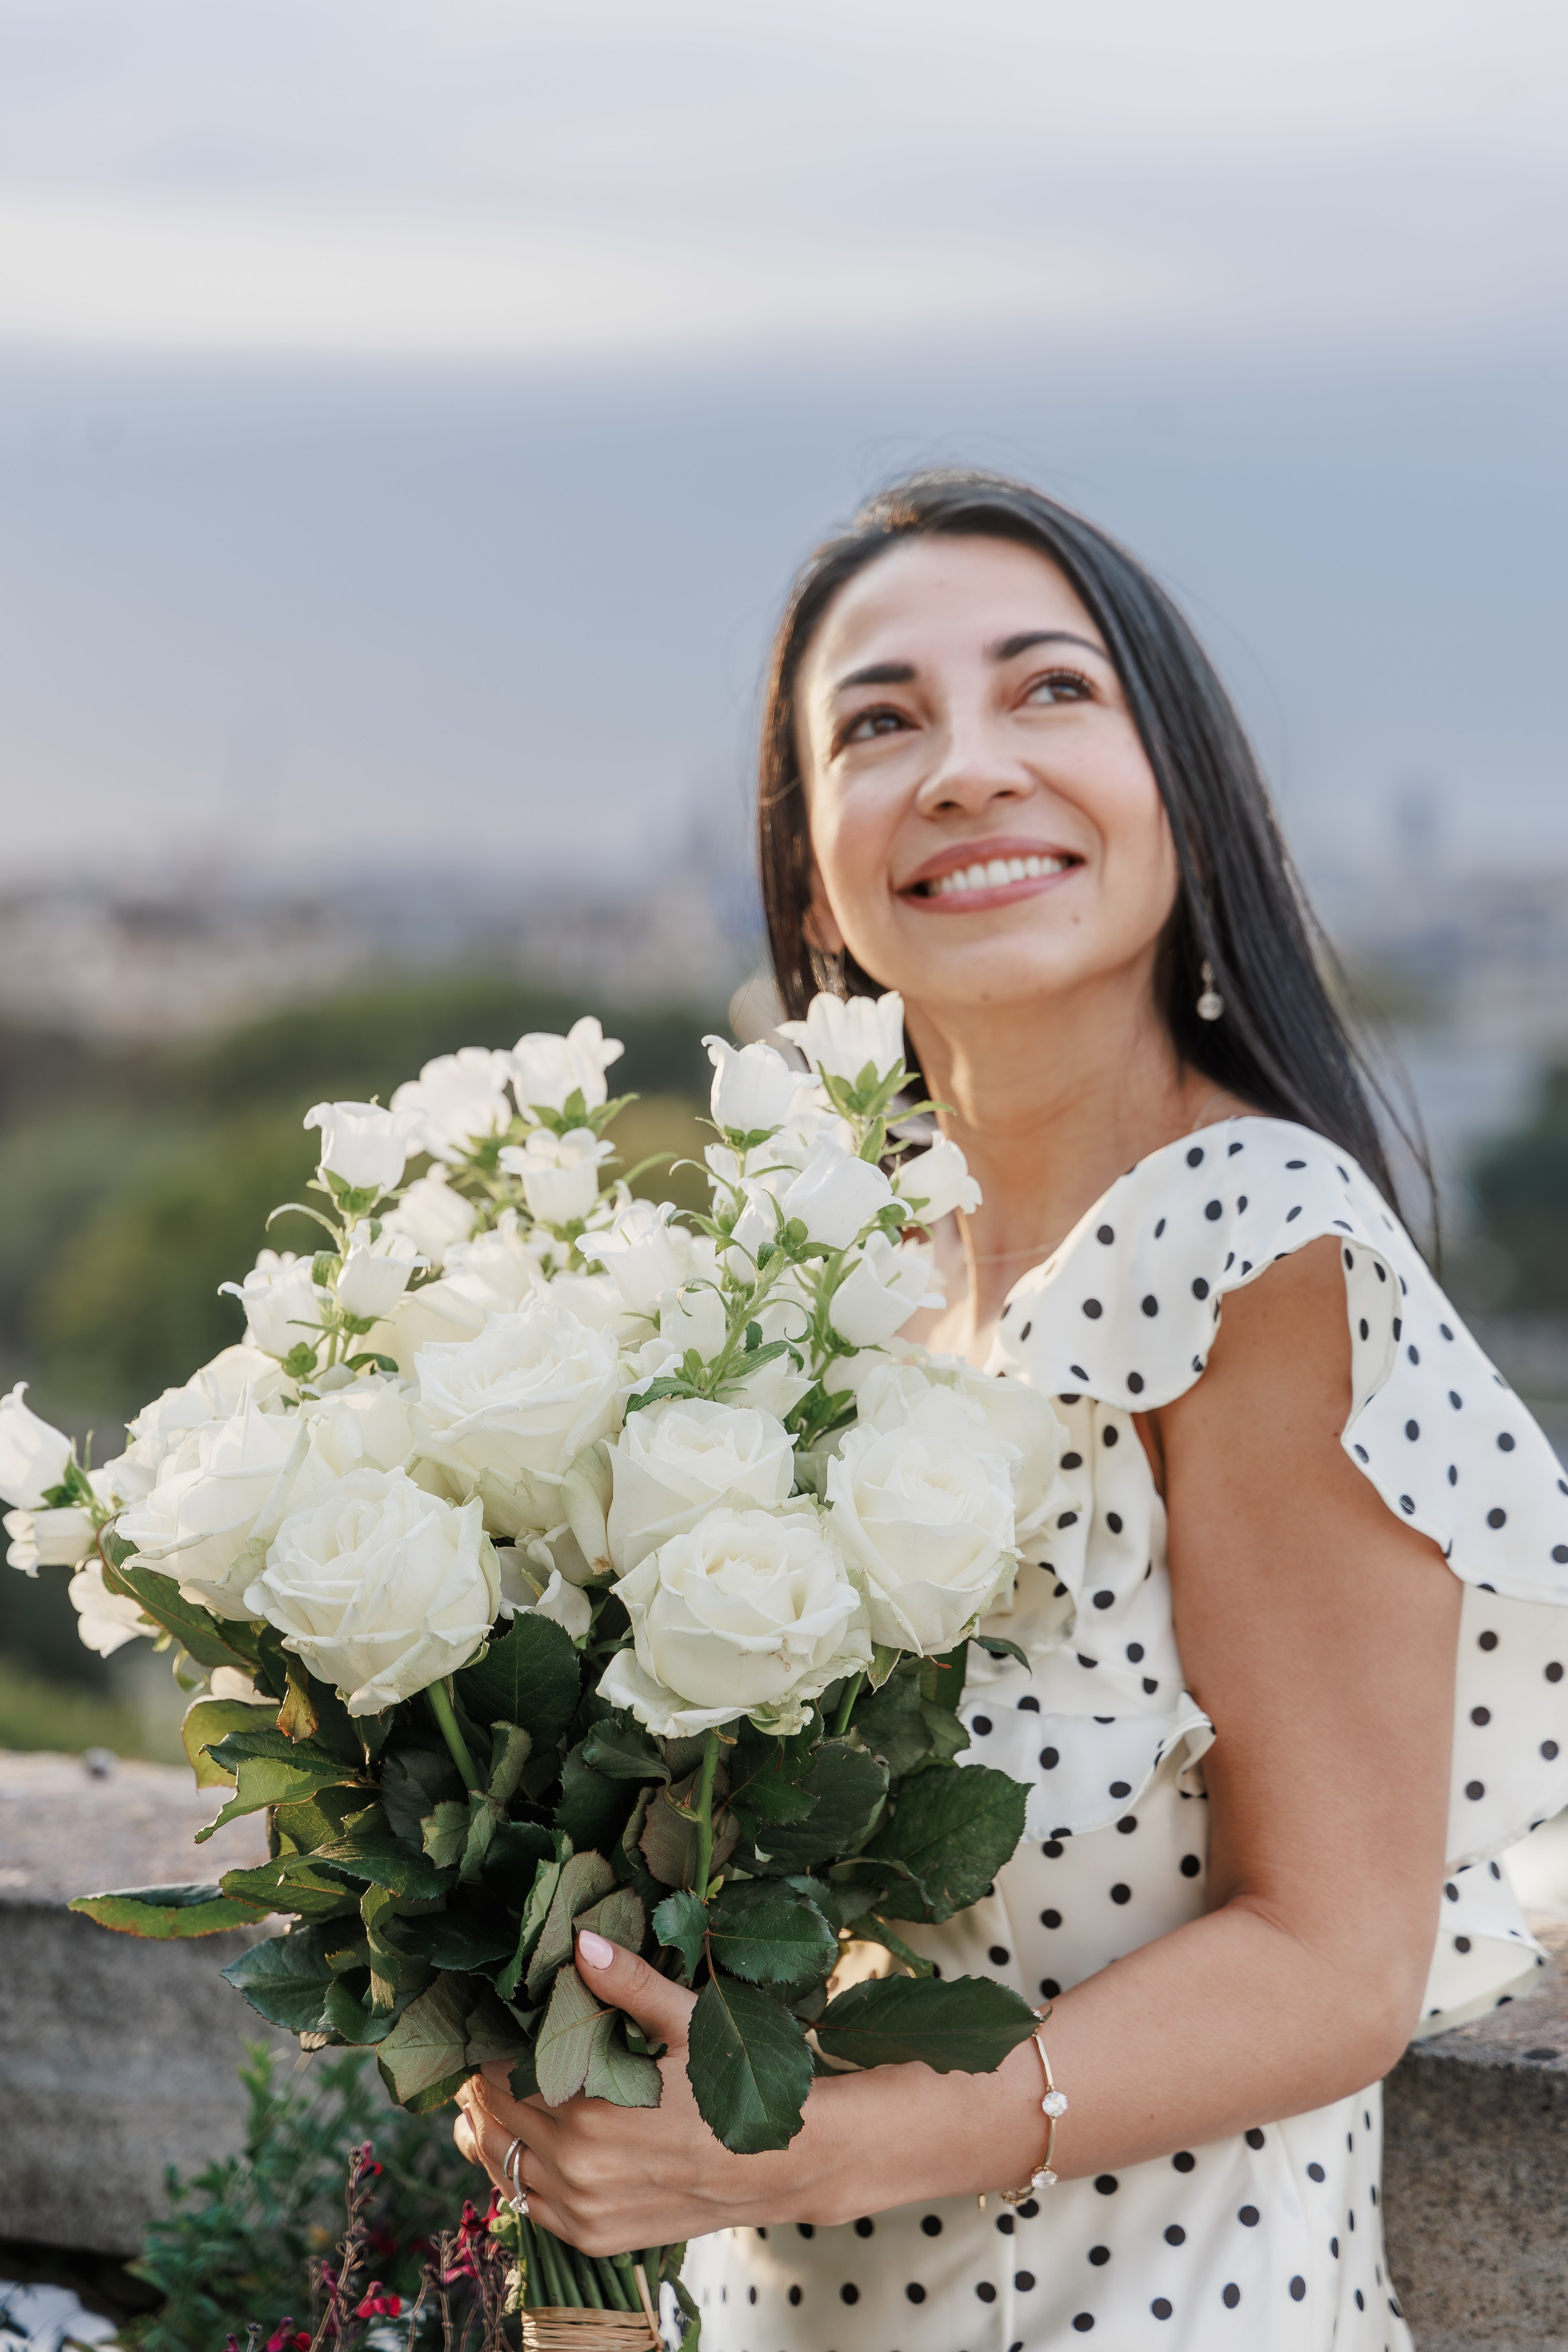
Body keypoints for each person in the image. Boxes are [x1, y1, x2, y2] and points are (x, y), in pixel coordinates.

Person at [454, 471, 1568, 2348]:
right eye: (881, 723)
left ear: (1180, 798)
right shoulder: (821, 1285)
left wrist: (809, 2155)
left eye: (1052, 690)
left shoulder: (1250, 1243)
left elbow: (1336, 1960)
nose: (967, 768)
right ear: (813, 865)